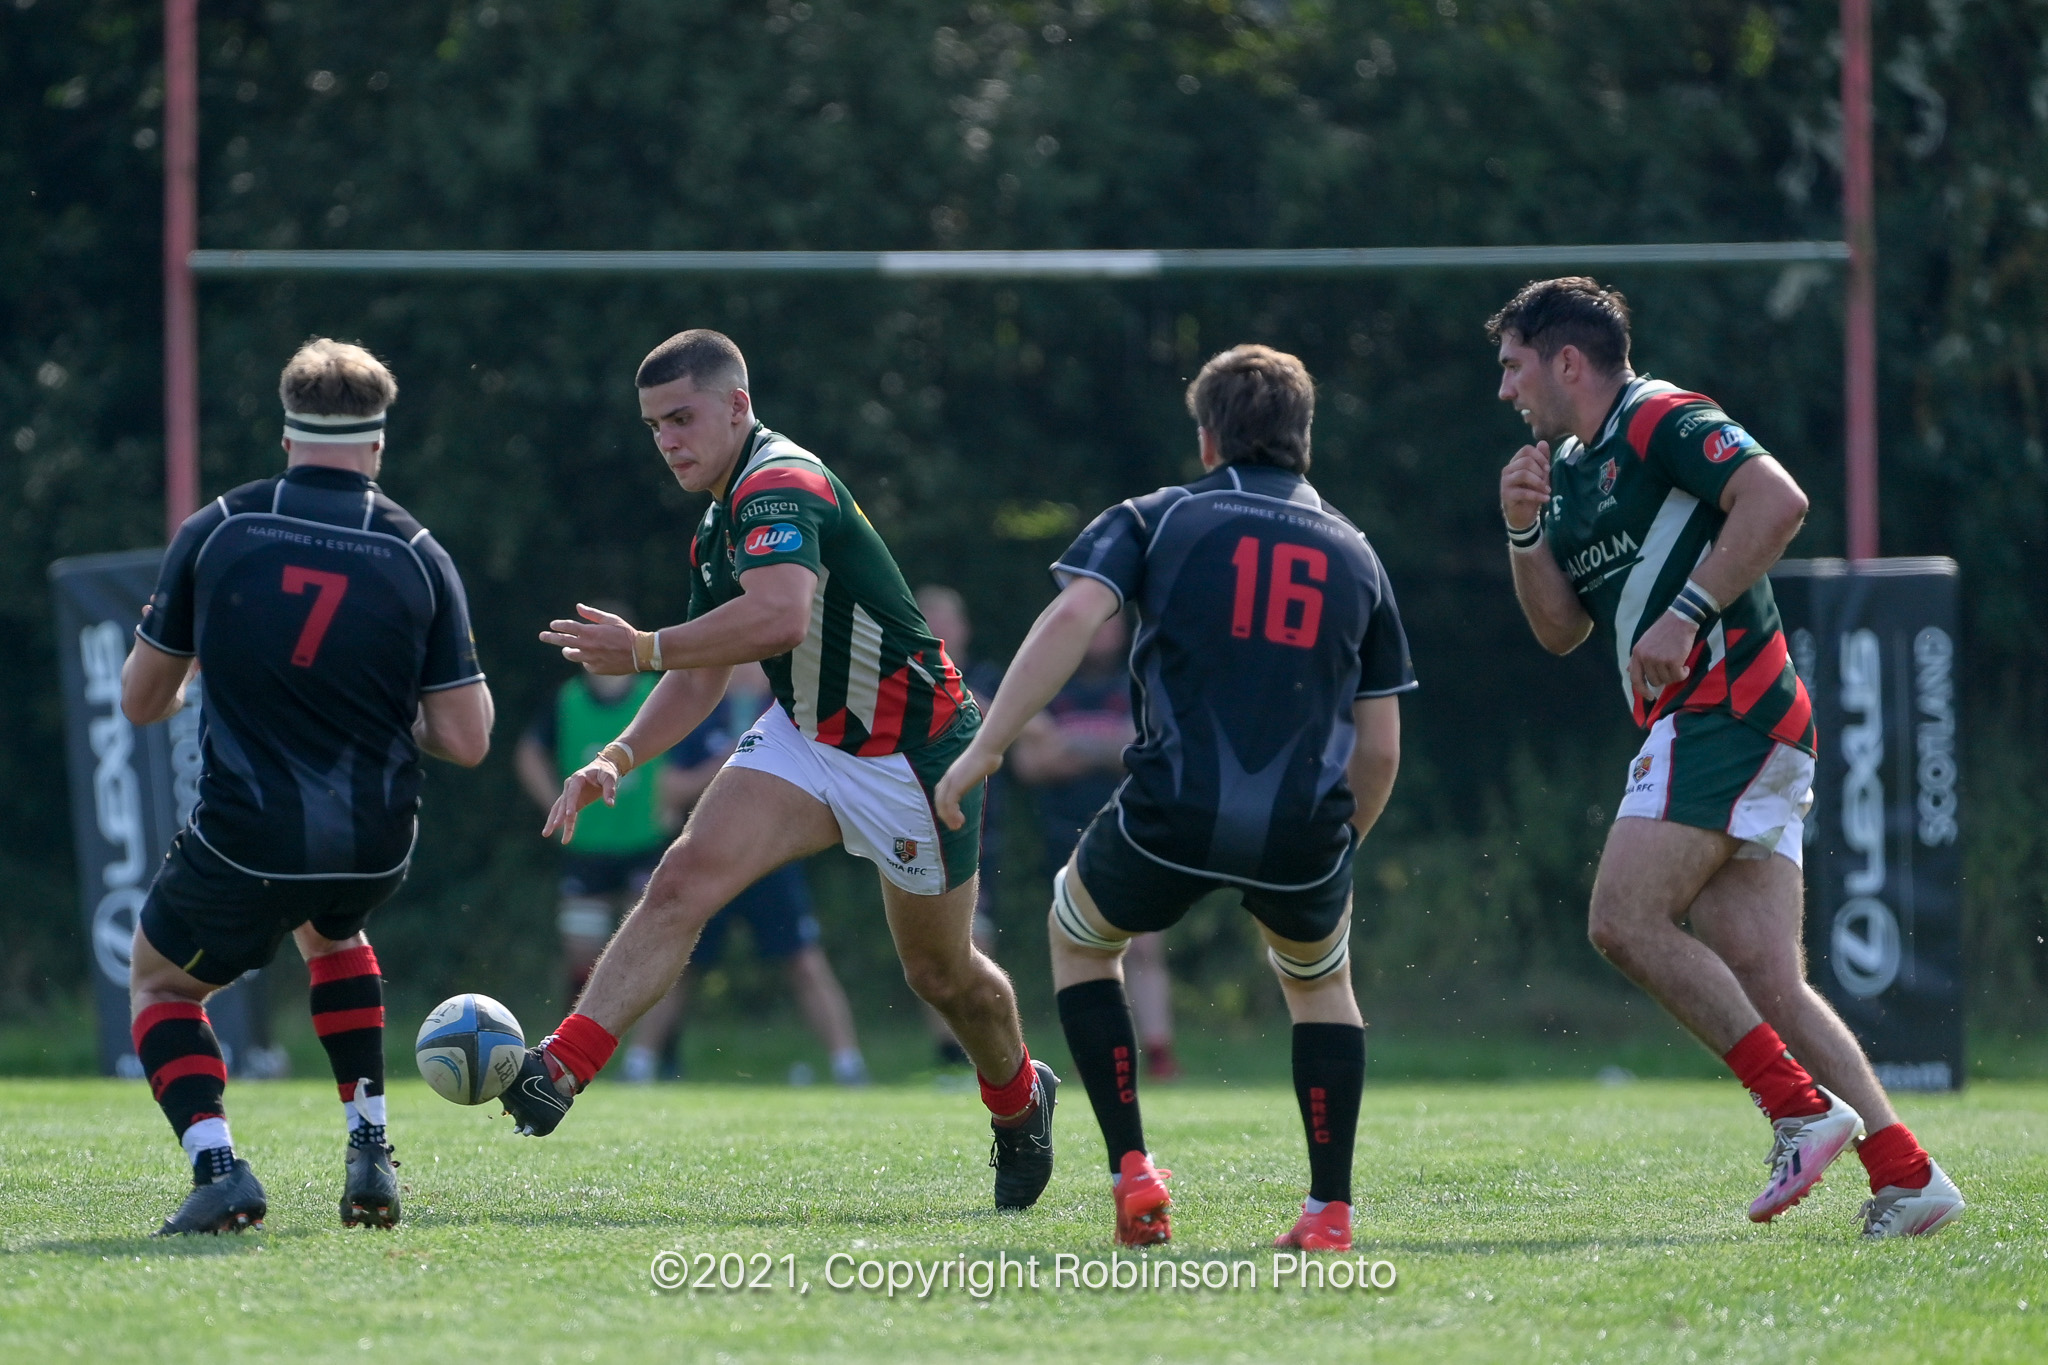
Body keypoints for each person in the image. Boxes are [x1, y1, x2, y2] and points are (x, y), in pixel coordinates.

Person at [501, 329, 1057, 1210]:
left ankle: (1020, 1098)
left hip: (914, 752)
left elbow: (780, 619)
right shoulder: (720, 521)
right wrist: (617, 755)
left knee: (942, 975)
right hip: (807, 738)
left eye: (683, 418)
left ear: (738, 406)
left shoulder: (780, 484)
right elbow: (705, 673)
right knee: (680, 878)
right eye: (654, 426)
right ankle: (557, 1068)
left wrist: (639, 647)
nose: (669, 441)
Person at [1488, 276, 1964, 1238]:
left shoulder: (1659, 414)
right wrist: (1523, 530)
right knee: (1769, 978)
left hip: (1727, 707)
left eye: (1513, 366)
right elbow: (1558, 633)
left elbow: (1777, 500)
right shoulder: (1569, 471)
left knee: (1623, 919)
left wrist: (1687, 610)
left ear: (1565, 360)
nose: (1506, 390)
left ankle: (1796, 1108)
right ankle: (1909, 1177)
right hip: (1723, 723)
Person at [938, 344, 1412, 1252]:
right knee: (1321, 987)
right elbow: (1381, 742)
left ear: (1207, 438)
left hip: (1170, 812)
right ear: (1305, 439)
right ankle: (1329, 1211)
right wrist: (1338, 844)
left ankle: (1134, 1171)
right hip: (1305, 827)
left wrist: (987, 747)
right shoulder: (1358, 555)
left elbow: (1073, 619)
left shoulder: (1158, 516)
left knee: (1080, 936)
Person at [120, 339, 493, 1234]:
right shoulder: (417, 551)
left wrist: (209, 665)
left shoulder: (216, 531)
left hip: (245, 838)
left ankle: (218, 1167)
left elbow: (142, 702)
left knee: (161, 984)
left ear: (286, 436)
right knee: (333, 930)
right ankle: (370, 1146)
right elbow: (466, 739)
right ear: (377, 444)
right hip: (374, 845)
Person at [640, 662, 868, 1086]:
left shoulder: (790, 716)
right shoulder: (703, 713)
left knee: (804, 961)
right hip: (708, 862)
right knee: (679, 963)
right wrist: (728, 761)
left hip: (771, 864)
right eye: (737, 663)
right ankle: (639, 1065)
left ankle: (848, 1067)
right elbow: (669, 789)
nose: (745, 672)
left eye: (755, 663)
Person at [1007, 609, 1182, 1080]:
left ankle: (1160, 1055)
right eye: (1094, 621)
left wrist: (1071, 747)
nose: (1102, 630)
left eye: (1111, 622)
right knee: (1083, 947)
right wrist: (1112, 751)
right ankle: (1098, 1053)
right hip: (1066, 838)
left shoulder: (1141, 681)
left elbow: (1153, 753)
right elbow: (1030, 763)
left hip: (1136, 833)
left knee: (1144, 947)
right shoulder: (1051, 683)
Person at [515, 622, 677, 1070]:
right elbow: (528, 752)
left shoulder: (658, 693)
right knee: (581, 953)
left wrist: (675, 795)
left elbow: (697, 754)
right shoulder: (567, 700)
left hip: (644, 843)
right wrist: (557, 802)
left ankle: (646, 1058)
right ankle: (572, 1049)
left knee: (655, 946)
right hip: (586, 849)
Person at [911, 585, 1002, 1068]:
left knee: (971, 940)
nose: (939, 631)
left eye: (947, 620)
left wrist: (953, 688)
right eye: (928, 621)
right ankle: (952, 1055)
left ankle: (981, 1051)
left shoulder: (986, 680)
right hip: (916, 830)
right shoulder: (900, 685)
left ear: (964, 629)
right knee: (935, 947)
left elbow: (1026, 732)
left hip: (982, 834)